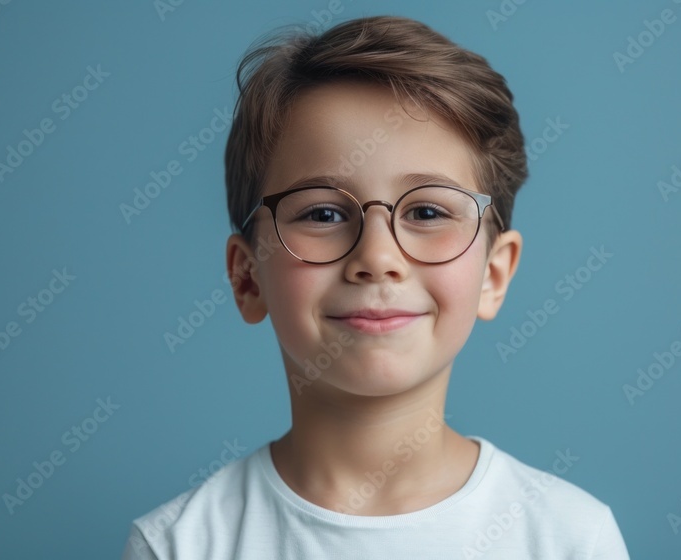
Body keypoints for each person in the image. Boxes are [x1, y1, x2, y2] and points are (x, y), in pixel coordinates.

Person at [122, 15, 629, 559]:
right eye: (321, 213)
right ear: (248, 278)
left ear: (493, 273)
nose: (378, 258)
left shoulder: (568, 537)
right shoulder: (179, 545)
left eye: (429, 211)